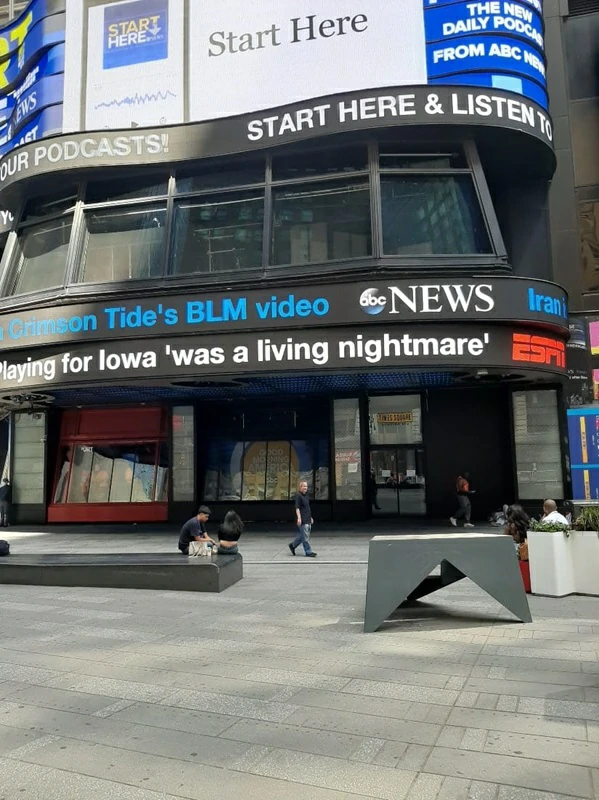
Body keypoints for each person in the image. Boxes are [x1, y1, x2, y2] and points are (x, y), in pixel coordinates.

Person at [289, 480, 317, 557]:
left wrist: (310, 517)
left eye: (306, 486)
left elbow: (307, 508)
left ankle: (293, 545)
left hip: (308, 518)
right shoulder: (298, 496)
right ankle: (308, 552)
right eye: (304, 486)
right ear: (300, 487)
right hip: (303, 519)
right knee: (305, 537)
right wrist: (299, 518)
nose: (305, 488)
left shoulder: (306, 496)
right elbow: (297, 508)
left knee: (303, 536)